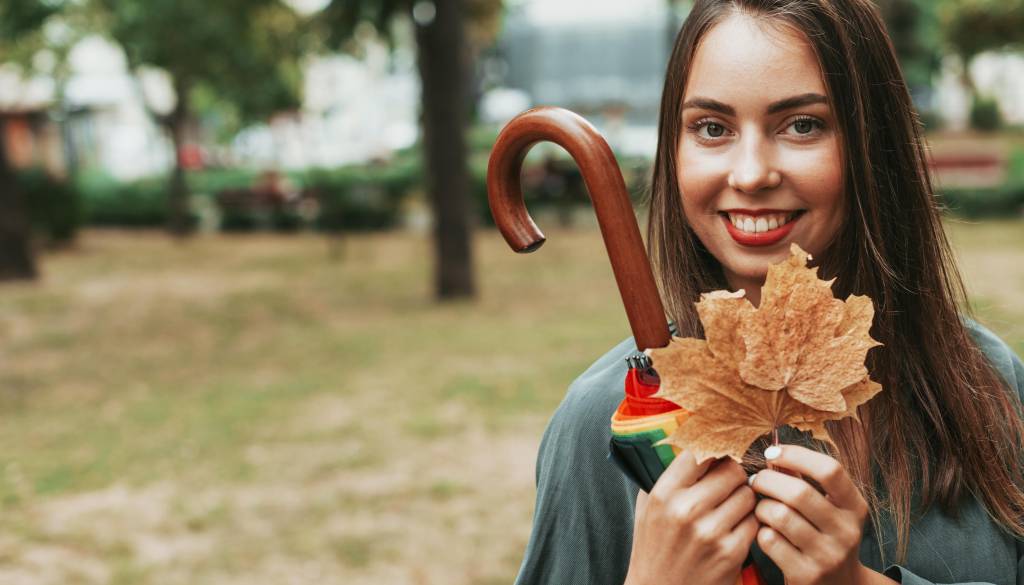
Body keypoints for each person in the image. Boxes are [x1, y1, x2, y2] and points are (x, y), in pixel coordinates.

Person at [512, 1, 1024, 584]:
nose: (751, 174)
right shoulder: (605, 422)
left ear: (872, 144)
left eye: (802, 125)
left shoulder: (986, 383)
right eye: (713, 128)